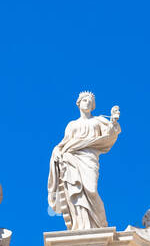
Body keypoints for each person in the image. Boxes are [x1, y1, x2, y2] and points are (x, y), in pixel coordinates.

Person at [48, 92, 121, 230]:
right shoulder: (72, 124)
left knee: (91, 189)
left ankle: (100, 224)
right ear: (79, 103)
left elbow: (110, 136)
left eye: (90, 101)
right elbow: (64, 143)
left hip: (89, 157)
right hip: (71, 158)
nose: (87, 102)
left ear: (93, 106)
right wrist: (57, 151)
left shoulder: (98, 121)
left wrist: (113, 121)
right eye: (84, 100)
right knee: (75, 192)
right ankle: (80, 224)